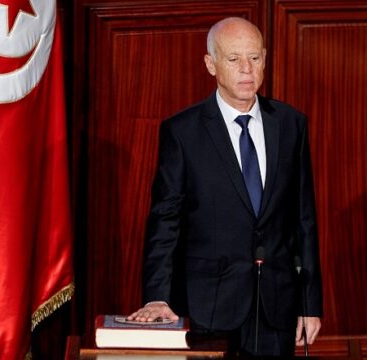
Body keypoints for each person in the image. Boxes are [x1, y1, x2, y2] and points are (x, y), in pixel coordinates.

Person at [128, 17, 322, 356]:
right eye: (234, 59)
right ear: (211, 64)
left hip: (276, 308)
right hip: (208, 307)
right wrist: (157, 295)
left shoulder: (291, 124)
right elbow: (166, 220)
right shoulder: (183, 131)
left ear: (264, 58)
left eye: (255, 58)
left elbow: (304, 220)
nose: (247, 69)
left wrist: (310, 302)